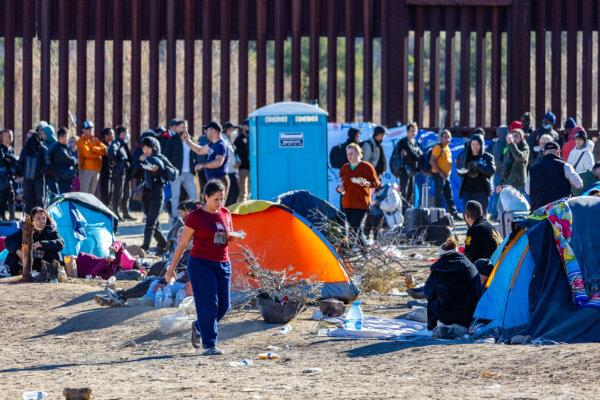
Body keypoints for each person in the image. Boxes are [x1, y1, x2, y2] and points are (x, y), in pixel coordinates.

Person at [165, 179, 240, 356]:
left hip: (223, 263)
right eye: (216, 199)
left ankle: (199, 326)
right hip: (201, 264)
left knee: (224, 306)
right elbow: (182, 244)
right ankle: (209, 345)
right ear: (206, 197)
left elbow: (227, 237)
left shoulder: (226, 213)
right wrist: (171, 269)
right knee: (209, 304)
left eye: (222, 199)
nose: (219, 203)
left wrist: (234, 238)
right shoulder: (195, 217)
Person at [131, 136, 178, 254]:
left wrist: (157, 170)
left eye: (148, 148)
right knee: (154, 223)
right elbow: (135, 172)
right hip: (146, 194)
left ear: (154, 148)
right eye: (144, 148)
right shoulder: (143, 157)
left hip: (157, 194)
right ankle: (163, 244)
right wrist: (140, 162)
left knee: (150, 222)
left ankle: (145, 247)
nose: (146, 150)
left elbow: (171, 172)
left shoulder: (160, 158)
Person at [424, 238, 482, 331]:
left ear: (441, 254)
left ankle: (431, 328)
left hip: (444, 317)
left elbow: (427, 293)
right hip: (468, 316)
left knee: (433, 297)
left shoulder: (436, 271)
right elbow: (478, 291)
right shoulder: (470, 267)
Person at [336, 143, 380, 245]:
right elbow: (340, 185)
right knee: (356, 229)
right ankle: (365, 250)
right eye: (348, 154)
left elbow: (376, 183)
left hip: (361, 204)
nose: (349, 156)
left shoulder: (366, 167)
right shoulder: (345, 168)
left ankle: (353, 249)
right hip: (347, 203)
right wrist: (339, 188)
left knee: (353, 229)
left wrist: (366, 183)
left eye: (352, 153)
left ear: (358, 154)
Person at [4, 207, 64, 277]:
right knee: (13, 250)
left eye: (44, 218)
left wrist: (41, 244)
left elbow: (61, 243)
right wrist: (19, 252)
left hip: (43, 264)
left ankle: (53, 274)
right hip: (26, 263)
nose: (42, 221)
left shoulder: (50, 231)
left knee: (55, 250)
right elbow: (8, 240)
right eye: (38, 218)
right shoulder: (26, 230)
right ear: (32, 219)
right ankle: (9, 271)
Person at [526, 141, 583, 211]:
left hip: (538, 213)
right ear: (558, 152)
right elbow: (579, 184)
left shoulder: (532, 170)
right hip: (560, 213)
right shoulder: (565, 166)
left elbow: (527, 191)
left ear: (544, 153)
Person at [183, 121, 230, 200]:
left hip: (220, 179)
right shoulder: (212, 144)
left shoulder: (221, 145)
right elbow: (200, 150)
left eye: (207, 130)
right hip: (213, 180)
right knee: (210, 206)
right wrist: (188, 141)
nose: (206, 133)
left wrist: (203, 165)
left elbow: (218, 162)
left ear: (213, 131)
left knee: (217, 207)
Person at [163, 119, 199, 219]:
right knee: (175, 197)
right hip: (176, 174)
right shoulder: (171, 140)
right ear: (177, 128)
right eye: (182, 127)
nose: (184, 129)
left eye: (186, 127)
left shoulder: (191, 140)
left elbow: (196, 154)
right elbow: (165, 157)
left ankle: (195, 217)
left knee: (194, 196)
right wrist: (169, 171)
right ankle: (175, 218)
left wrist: (195, 166)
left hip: (189, 174)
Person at [457, 133, 496, 214]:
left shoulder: (487, 157)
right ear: (470, 144)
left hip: (482, 191)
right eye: (473, 144)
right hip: (467, 191)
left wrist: (478, 165)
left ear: (482, 145)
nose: (475, 146)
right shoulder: (464, 156)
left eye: (477, 144)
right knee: (468, 215)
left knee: (481, 216)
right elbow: (459, 170)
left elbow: (491, 171)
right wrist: (465, 170)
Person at [430, 130, 461, 220]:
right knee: (438, 195)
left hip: (445, 175)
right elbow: (432, 161)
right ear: (441, 138)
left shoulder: (447, 147)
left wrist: (447, 173)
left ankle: (454, 213)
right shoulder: (438, 147)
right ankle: (437, 216)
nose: (447, 139)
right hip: (438, 174)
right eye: (445, 137)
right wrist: (440, 173)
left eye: (449, 137)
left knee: (449, 194)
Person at [393, 122, 422, 209]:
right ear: (407, 132)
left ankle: (408, 207)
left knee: (411, 190)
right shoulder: (403, 142)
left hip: (412, 170)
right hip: (404, 170)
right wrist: (419, 156)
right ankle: (402, 208)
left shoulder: (414, 141)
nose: (413, 133)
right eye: (411, 131)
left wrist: (420, 156)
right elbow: (413, 154)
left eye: (415, 131)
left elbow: (420, 153)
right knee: (403, 189)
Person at [108, 126, 134, 221]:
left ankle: (126, 213)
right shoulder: (117, 143)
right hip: (119, 173)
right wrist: (115, 163)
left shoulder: (124, 144)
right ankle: (115, 213)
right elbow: (111, 151)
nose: (126, 135)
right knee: (118, 194)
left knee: (127, 193)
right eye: (124, 133)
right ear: (121, 134)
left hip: (125, 173)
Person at [19, 129, 48, 213]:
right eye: (26, 138)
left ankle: (41, 220)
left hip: (38, 179)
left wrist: (39, 173)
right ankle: (28, 221)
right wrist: (22, 173)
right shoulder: (25, 149)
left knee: (40, 200)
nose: (27, 140)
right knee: (28, 200)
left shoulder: (43, 149)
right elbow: (21, 162)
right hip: (27, 179)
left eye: (29, 138)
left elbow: (47, 164)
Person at [77, 120, 107, 196]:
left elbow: (104, 150)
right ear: (83, 130)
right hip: (86, 169)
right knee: (84, 192)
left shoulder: (95, 139)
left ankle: (89, 208)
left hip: (96, 169)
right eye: (88, 129)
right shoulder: (81, 141)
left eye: (91, 128)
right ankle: (82, 207)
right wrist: (98, 153)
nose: (91, 130)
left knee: (92, 193)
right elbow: (87, 154)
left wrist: (93, 148)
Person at [500, 128, 529, 194]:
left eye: (516, 136)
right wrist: (501, 182)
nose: (514, 138)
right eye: (512, 136)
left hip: (519, 184)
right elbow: (506, 165)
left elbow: (519, 157)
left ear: (521, 138)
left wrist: (511, 144)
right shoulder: (509, 146)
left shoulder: (525, 148)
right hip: (508, 183)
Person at [489, 125, 508, 221]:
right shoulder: (497, 145)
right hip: (499, 173)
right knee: (497, 194)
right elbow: (497, 161)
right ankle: (494, 213)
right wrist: (505, 168)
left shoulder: (507, 144)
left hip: (506, 173)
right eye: (506, 132)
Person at [50, 128, 78, 194]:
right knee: (65, 196)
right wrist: (75, 160)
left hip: (66, 177)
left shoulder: (63, 147)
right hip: (62, 177)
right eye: (66, 136)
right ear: (61, 137)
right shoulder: (58, 149)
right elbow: (69, 160)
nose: (67, 139)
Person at [0, 129, 17, 220]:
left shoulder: (11, 150)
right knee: (1, 199)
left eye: (12, 136)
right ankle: (2, 216)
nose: (11, 137)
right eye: (9, 136)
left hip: (9, 179)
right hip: (1, 179)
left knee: (11, 197)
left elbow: (14, 164)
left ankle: (12, 218)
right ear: (2, 137)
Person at [222, 124, 240, 206]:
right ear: (226, 129)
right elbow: (229, 153)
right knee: (233, 192)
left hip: (231, 170)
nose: (233, 131)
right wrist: (235, 163)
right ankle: (229, 209)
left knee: (233, 192)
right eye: (231, 129)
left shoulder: (227, 139)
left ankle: (229, 208)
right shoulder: (224, 139)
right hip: (230, 170)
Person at [234, 120, 250, 202]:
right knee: (243, 190)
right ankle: (242, 207)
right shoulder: (238, 139)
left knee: (252, 190)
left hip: (252, 168)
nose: (249, 127)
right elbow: (235, 152)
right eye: (247, 126)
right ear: (244, 126)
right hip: (242, 167)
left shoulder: (253, 137)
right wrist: (237, 161)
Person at [98, 128, 115, 204]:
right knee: (105, 193)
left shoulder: (110, 145)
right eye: (111, 134)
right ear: (106, 136)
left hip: (110, 173)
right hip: (103, 173)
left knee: (110, 193)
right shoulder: (101, 146)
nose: (113, 136)